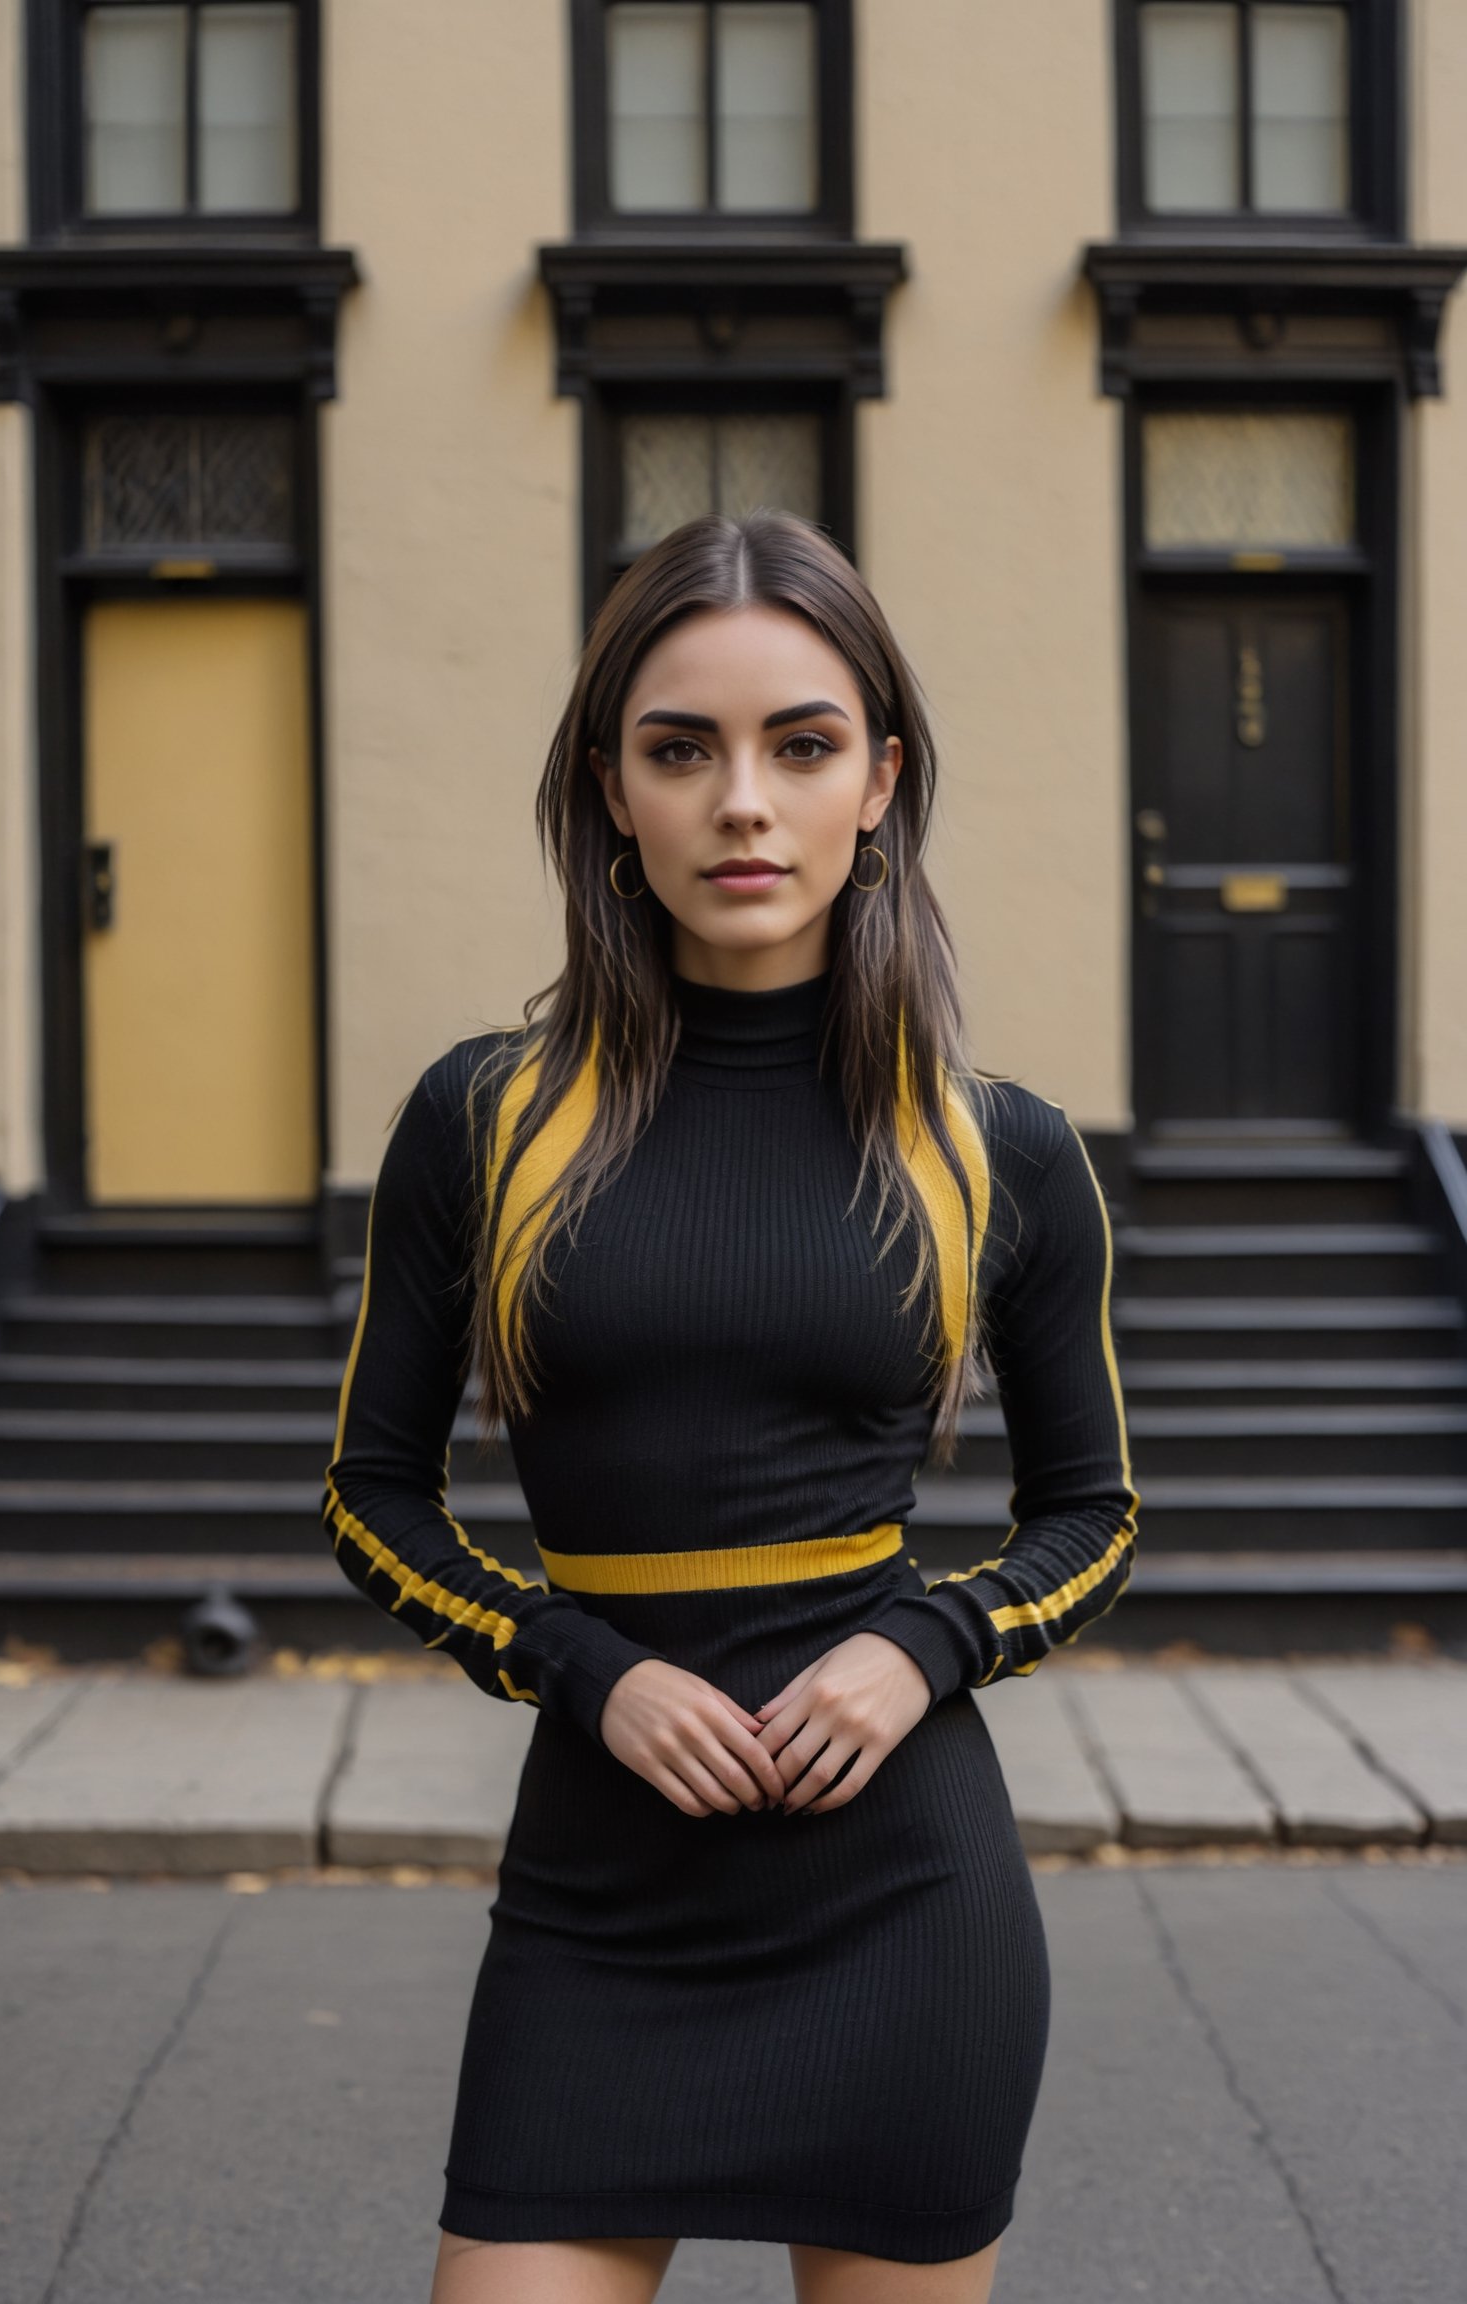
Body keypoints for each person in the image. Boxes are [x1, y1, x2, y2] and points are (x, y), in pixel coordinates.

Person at [324, 510, 1140, 2304]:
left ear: (881, 781)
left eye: (803, 745)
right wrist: (581, 1669)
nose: (743, 804)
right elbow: (370, 1496)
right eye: (680, 749)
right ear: (612, 790)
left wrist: (927, 1647)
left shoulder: (999, 1148)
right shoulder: (482, 1117)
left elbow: (1095, 1517)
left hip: (901, 1905)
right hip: (598, 1900)